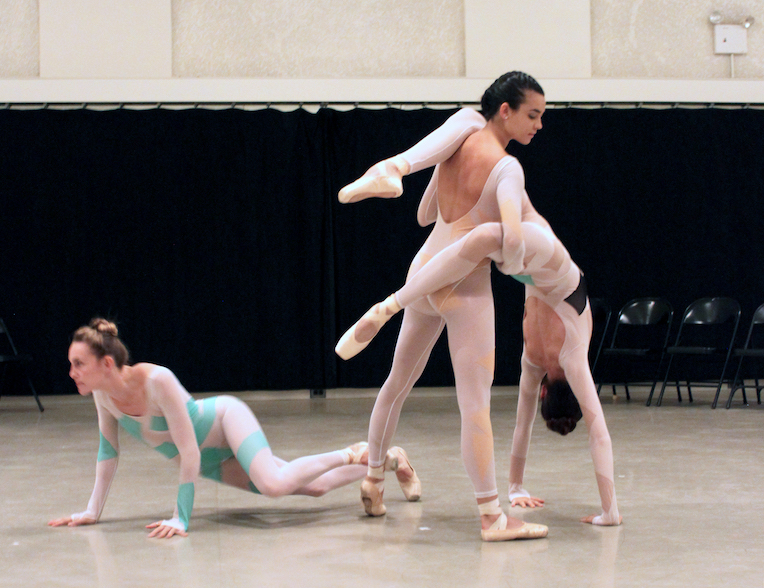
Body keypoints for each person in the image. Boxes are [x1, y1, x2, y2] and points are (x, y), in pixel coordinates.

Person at [336, 72, 549, 542]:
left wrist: (439, 171)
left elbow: (424, 215)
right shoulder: (507, 167)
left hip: (423, 268)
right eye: (533, 115)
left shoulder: (462, 129)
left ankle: (373, 479)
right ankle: (493, 516)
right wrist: (516, 262)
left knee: (397, 383)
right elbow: (511, 238)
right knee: (474, 405)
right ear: (507, 111)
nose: (539, 125)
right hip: (466, 288)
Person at [337, 206, 622, 527]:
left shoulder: (562, 356)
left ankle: (393, 303)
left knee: (483, 233)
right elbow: (535, 426)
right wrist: (606, 512)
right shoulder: (550, 359)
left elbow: (587, 430)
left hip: (544, 263)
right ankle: (393, 303)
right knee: (482, 240)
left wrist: (518, 488)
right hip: (533, 266)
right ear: (544, 392)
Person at [49, 318, 421, 539]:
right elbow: (108, 454)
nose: (72, 372)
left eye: (79, 363)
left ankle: (354, 451)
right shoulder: (103, 396)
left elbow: (188, 449)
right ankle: (386, 459)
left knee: (276, 485)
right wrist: (92, 511)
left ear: (108, 363)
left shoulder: (156, 380)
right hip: (210, 461)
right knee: (316, 487)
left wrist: (181, 517)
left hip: (225, 422)